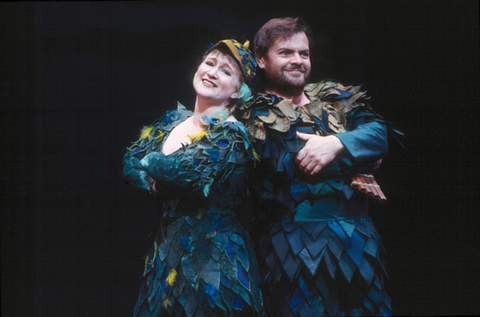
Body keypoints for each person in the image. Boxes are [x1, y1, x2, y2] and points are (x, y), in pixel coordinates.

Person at [237, 17, 408, 316]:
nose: (298, 61)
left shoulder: (336, 98)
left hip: (358, 245)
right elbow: (294, 159)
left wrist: (335, 145)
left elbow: (380, 135)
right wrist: (360, 153)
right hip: (291, 251)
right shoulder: (253, 112)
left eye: (303, 54)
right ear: (261, 60)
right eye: (286, 53)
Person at [123, 39, 265, 316]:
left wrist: (150, 161)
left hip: (214, 259)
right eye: (209, 63)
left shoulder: (231, 134)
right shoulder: (171, 121)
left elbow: (187, 175)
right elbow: (129, 161)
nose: (212, 72)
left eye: (225, 71)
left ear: (237, 91)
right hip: (167, 254)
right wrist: (153, 182)